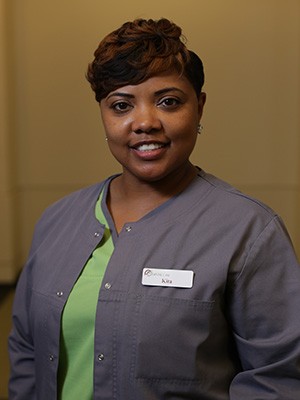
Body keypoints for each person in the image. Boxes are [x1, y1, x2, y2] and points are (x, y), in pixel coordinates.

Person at [8, 17, 300, 400]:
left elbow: (277, 379)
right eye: (121, 105)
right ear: (103, 114)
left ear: (199, 107)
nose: (144, 122)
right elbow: (27, 352)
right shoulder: (57, 220)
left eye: (168, 102)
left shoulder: (249, 231)